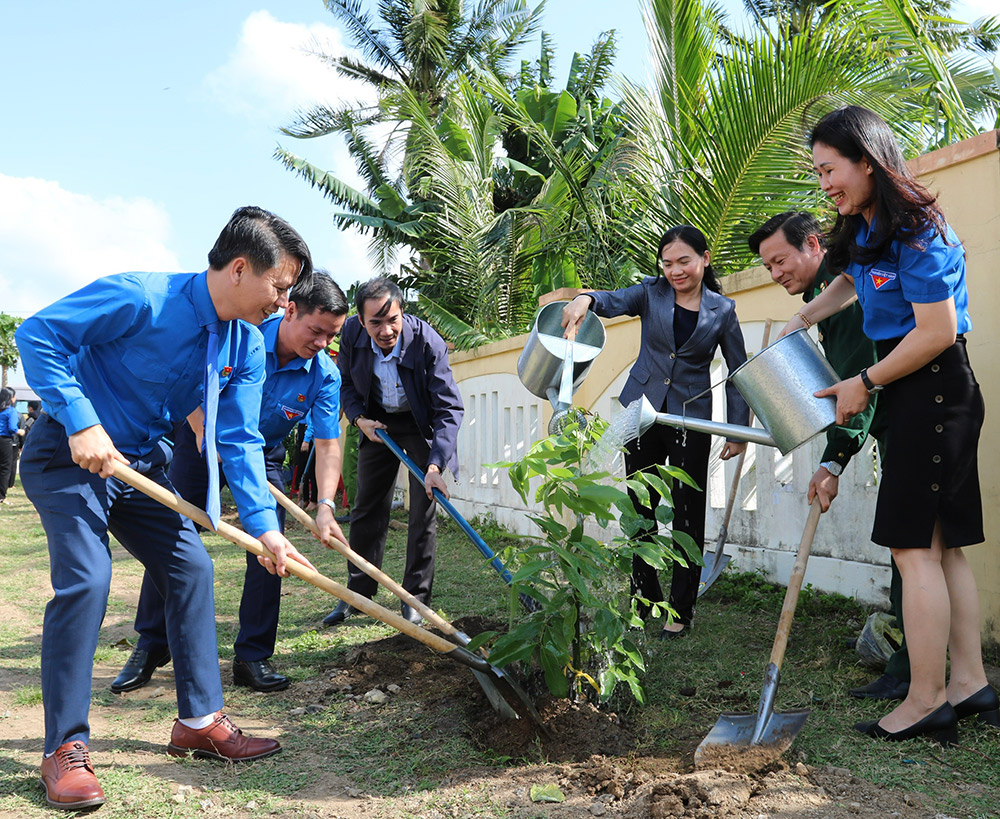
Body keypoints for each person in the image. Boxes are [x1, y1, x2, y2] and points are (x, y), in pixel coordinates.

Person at [16, 206, 319, 810]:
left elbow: (237, 440)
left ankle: (199, 722)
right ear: (240, 268)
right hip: (69, 456)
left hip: (137, 469)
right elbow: (38, 334)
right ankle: (62, 750)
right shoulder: (142, 297)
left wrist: (264, 528)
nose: (284, 306)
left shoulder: (245, 346)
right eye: (280, 289)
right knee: (88, 580)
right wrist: (81, 420)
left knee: (192, 567)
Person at [782, 106, 994, 744]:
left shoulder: (917, 231)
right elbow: (848, 278)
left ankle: (927, 700)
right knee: (942, 544)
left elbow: (936, 331)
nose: (826, 184)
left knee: (913, 549)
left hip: (931, 390)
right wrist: (803, 317)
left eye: (831, 169)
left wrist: (864, 382)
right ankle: (970, 683)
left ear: (868, 161)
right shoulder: (864, 224)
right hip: (920, 393)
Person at [113, 272, 349, 695]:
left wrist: (326, 505)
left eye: (330, 336)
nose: (321, 343)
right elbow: (193, 382)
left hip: (262, 455)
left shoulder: (324, 375)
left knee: (271, 549)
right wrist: (208, 433)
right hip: (200, 437)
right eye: (316, 331)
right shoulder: (243, 331)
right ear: (291, 309)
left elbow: (329, 444)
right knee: (170, 533)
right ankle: (152, 643)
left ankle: (253, 656)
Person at [562, 225, 750, 638]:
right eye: (667, 263)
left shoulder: (723, 310)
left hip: (690, 419)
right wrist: (584, 299)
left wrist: (737, 431)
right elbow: (612, 300)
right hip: (641, 414)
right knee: (639, 507)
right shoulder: (650, 292)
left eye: (684, 261)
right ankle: (643, 596)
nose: (675, 271)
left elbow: (738, 373)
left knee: (686, 514)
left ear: (704, 258)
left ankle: (680, 609)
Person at [749, 212, 907, 701]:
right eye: (768, 268)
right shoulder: (827, 296)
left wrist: (832, 462)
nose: (776, 275)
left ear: (815, 245)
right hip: (903, 424)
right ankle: (912, 656)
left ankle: (906, 668)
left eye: (780, 260)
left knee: (912, 549)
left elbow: (856, 384)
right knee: (914, 549)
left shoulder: (842, 299)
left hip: (908, 424)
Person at [323, 277, 464, 627]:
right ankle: (358, 593)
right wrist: (358, 418)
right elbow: (346, 385)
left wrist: (435, 465)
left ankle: (415, 598)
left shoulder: (428, 343)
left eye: (393, 320)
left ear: (403, 312)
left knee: (423, 510)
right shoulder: (352, 335)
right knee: (366, 506)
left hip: (420, 426)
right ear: (360, 319)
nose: (386, 330)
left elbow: (449, 409)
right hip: (377, 424)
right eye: (376, 322)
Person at [0, 387, 17, 503]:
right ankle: (1, 496)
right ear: (11, 398)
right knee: (5, 468)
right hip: (5, 441)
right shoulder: (11, 411)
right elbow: (12, 428)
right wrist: (20, 431)